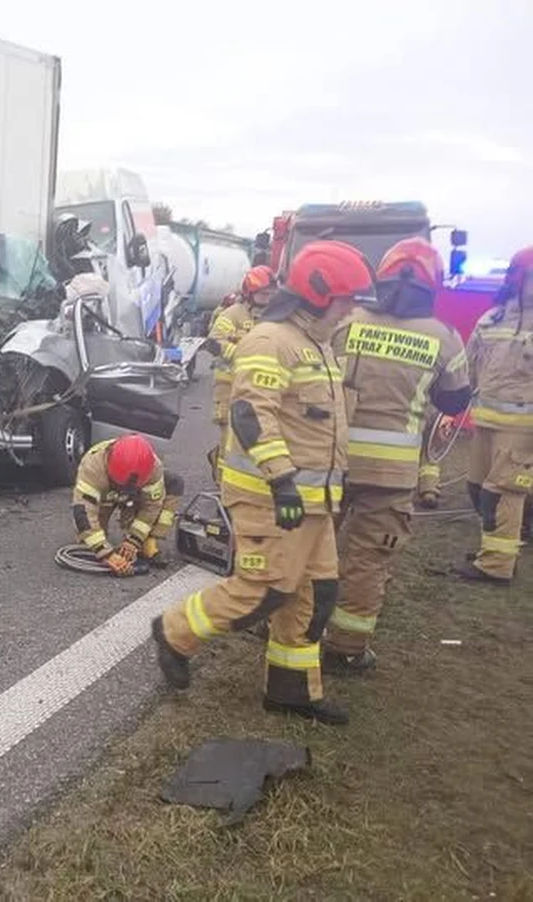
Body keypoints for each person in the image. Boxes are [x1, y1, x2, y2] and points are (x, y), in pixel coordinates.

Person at [150, 240, 376, 725]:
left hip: (315, 503)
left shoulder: (316, 345)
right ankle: (173, 633)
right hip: (271, 499)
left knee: (316, 595)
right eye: (346, 298)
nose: (351, 308)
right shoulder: (270, 341)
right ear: (318, 295)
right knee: (263, 590)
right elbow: (252, 415)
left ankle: (291, 690)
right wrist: (283, 482)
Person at [323, 238, 472, 673]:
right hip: (391, 473)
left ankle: (290, 627)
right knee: (368, 557)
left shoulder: (346, 321)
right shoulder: (444, 337)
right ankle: (346, 648)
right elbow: (454, 400)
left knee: (312, 544)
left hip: (331, 459)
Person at [456, 246, 533, 583]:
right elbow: (470, 363)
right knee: (477, 488)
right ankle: (495, 547)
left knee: (503, 492)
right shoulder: (492, 318)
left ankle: (497, 564)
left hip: (523, 429)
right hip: (485, 420)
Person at [71, 434, 184, 575]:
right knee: (90, 541)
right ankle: (100, 541)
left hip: (135, 496)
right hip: (105, 496)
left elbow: (151, 506)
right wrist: (105, 553)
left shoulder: (153, 468)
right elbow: (83, 512)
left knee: (174, 483)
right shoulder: (93, 466)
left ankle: (149, 541)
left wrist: (134, 540)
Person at [204, 265, 276, 481]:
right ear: (250, 293)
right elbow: (214, 342)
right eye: (263, 294)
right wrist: (244, 355)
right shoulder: (232, 314)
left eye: (271, 294)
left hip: (258, 388)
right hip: (229, 389)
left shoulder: (273, 318)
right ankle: (223, 488)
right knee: (229, 442)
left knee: (254, 439)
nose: (268, 299)